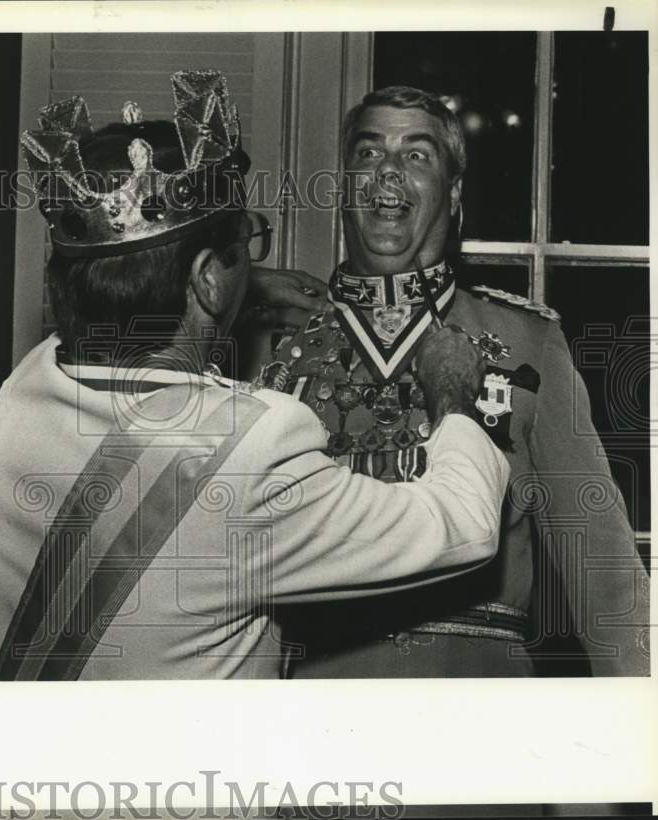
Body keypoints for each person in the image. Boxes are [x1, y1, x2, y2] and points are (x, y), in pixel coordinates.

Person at [0, 71, 510, 681]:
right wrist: (455, 399)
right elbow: (463, 525)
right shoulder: (252, 444)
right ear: (206, 278)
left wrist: (228, 289)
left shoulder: (21, 393)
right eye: (245, 246)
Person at [250, 86, 649, 677]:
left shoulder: (527, 343)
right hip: (319, 720)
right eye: (367, 153)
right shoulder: (276, 349)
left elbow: (606, 578)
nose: (387, 171)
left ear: (454, 193)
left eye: (416, 155)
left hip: (480, 716)